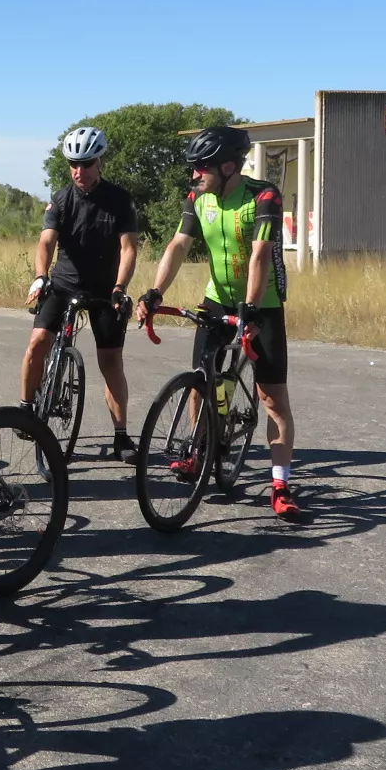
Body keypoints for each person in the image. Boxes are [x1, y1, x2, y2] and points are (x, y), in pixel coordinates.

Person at [137, 125, 302, 520]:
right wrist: (154, 292)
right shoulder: (198, 197)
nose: (194, 175)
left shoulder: (263, 195)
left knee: (272, 398)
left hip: (261, 303)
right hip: (216, 299)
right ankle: (199, 451)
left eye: (201, 167)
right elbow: (178, 245)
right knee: (201, 381)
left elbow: (261, 254)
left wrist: (249, 308)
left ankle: (280, 483)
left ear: (228, 167)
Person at [22, 125, 142, 457]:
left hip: (105, 289)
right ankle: (25, 409)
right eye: (74, 164)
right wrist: (40, 276)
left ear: (99, 162)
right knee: (37, 343)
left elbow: (129, 249)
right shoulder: (60, 199)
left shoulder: (119, 201)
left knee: (110, 362)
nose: (79, 171)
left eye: (87, 163)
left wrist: (120, 287)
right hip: (63, 284)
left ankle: (121, 435)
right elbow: (46, 241)